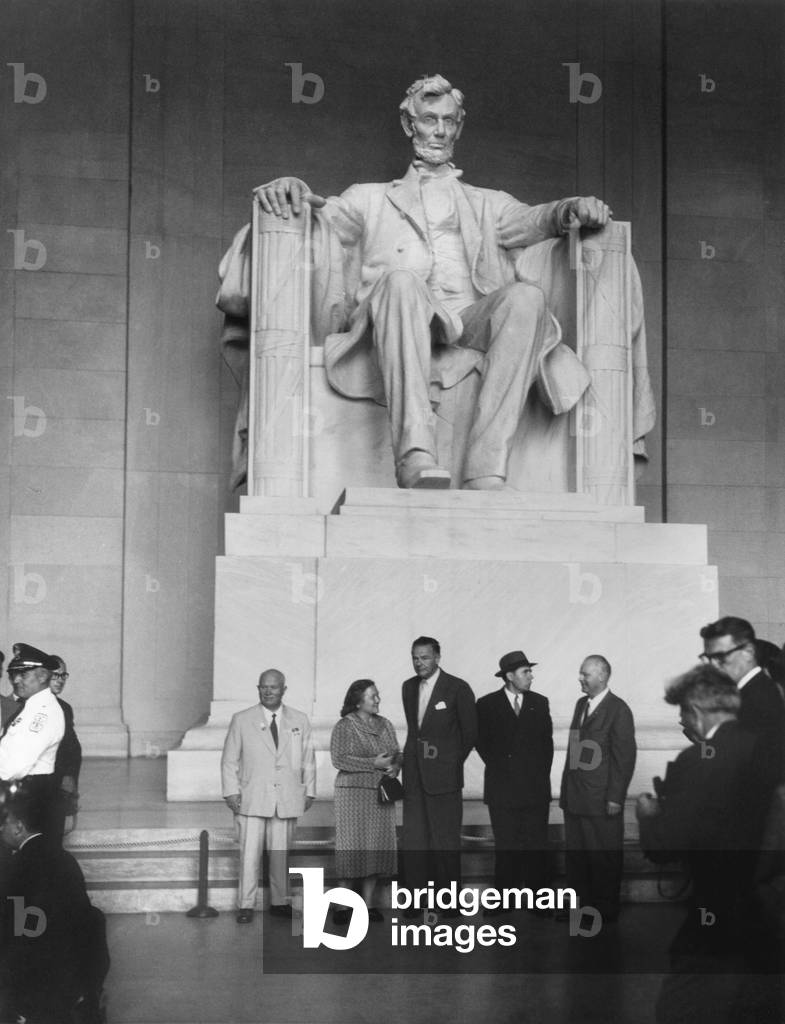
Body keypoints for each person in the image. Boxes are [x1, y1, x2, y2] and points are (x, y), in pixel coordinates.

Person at [221, 73, 655, 489]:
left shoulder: (488, 204)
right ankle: (414, 456)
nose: (439, 131)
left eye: (449, 121)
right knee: (402, 282)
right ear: (410, 124)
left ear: (459, 127)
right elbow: (322, 218)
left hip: (469, 318)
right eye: (430, 120)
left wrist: (570, 209)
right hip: (398, 316)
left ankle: (487, 468)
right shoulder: (369, 199)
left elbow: (534, 219)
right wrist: (291, 188)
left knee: (525, 298)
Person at [636, 665, 773, 1024]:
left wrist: (648, 815)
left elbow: (664, 846)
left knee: (680, 1008)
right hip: (769, 909)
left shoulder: (695, 761)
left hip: (717, 907)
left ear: (694, 712)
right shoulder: (768, 749)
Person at [0, 781, 110, 1024]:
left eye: (3, 824)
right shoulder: (66, 859)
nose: (1, 830)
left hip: (36, 981)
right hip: (76, 973)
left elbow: (16, 931)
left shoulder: (16, 868)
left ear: (19, 827)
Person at [221, 668, 316, 923]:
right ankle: (246, 904)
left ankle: (279, 901)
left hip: (286, 798)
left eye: (273, 687)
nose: (268, 691)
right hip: (251, 798)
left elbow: (307, 758)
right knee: (249, 855)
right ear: (258, 688)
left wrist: (310, 791)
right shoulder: (242, 719)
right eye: (263, 686)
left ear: (284, 689)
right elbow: (229, 760)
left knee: (280, 853)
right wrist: (231, 792)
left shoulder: (300, 719)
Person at [559, 654, 636, 922]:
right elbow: (574, 751)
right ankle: (581, 909)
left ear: (602, 675)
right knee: (578, 859)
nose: (580, 678)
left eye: (585, 674)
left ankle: (605, 910)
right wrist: (567, 793)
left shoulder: (619, 709)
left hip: (602, 799)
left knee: (603, 858)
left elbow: (624, 758)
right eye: (581, 674)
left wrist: (615, 797)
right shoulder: (582, 704)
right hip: (576, 799)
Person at [400, 636, 477, 903]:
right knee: (414, 841)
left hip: (444, 779)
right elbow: (414, 732)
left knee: (445, 842)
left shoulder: (457, 688)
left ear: (437, 658)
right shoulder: (408, 687)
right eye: (415, 658)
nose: (419, 663)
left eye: (424, 657)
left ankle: (448, 902)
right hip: (413, 778)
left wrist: (449, 763)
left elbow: (470, 734)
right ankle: (415, 900)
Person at [476, 650, 553, 905]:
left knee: (537, 846)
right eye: (525, 672)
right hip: (502, 789)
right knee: (506, 846)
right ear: (509, 676)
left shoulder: (540, 703)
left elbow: (546, 747)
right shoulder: (486, 705)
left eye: (530, 671)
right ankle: (503, 900)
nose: (531, 676)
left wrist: (536, 776)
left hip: (535, 789)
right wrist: (505, 769)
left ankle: (538, 901)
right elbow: (483, 744)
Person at [329, 679, 401, 922]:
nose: (378, 700)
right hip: (352, 795)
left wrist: (395, 767)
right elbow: (339, 760)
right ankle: (341, 907)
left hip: (381, 793)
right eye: (373, 696)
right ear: (358, 700)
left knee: (376, 848)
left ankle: (368, 906)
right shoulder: (344, 726)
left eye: (378, 695)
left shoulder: (386, 724)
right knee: (351, 848)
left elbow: (396, 753)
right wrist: (374, 763)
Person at [700, 616, 785, 787]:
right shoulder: (746, 693)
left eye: (720, 656)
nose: (713, 666)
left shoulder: (759, 698)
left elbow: (752, 771)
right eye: (708, 658)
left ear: (748, 652)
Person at [0, 643, 65, 839]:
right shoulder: (31, 707)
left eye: (24, 674)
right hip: (21, 796)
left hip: (31, 801)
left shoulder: (42, 713)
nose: (16, 680)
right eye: (14, 674)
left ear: (43, 676)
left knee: (30, 864)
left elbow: (13, 767)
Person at [49, 655, 83, 842]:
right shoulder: (20, 706)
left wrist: (69, 780)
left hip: (59, 785)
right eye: (56, 675)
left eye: (64, 675)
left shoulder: (64, 708)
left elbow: (72, 750)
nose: (60, 680)